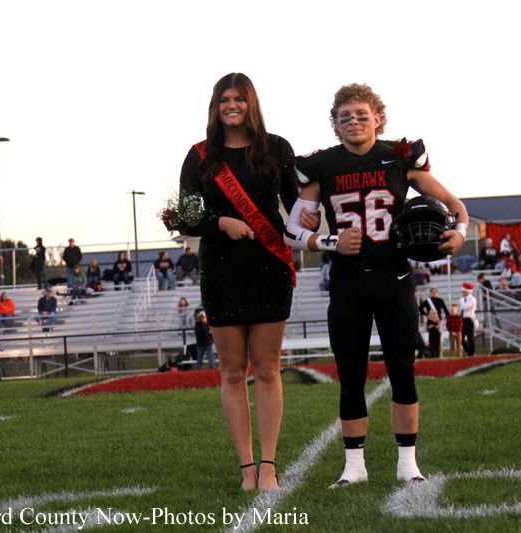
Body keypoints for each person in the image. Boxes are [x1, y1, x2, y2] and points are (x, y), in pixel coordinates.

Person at [283, 82, 469, 487]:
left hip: (394, 278)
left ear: (378, 119)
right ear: (335, 123)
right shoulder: (322, 165)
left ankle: (408, 464)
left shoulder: (399, 158)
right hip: (347, 282)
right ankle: (354, 468)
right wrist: (329, 241)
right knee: (350, 375)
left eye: (361, 115)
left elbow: (455, 206)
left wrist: (459, 232)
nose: (353, 121)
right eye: (345, 116)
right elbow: (291, 230)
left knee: (403, 370)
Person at [174, 73, 305, 491]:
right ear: (216, 106)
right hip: (221, 271)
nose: (232, 105)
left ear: (252, 103)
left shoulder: (277, 149)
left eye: (240, 99)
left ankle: (268, 466)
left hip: (270, 268)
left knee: (267, 369)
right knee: (232, 372)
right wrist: (221, 222)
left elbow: (297, 206)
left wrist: (316, 218)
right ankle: (247, 469)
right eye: (224, 99)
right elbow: (186, 217)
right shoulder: (200, 156)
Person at [458, 283, 477, 356]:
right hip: (463, 319)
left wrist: (462, 300)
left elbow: (465, 307)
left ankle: (472, 352)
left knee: (470, 337)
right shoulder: (464, 299)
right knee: (461, 338)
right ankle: (469, 351)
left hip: (469, 319)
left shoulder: (472, 299)